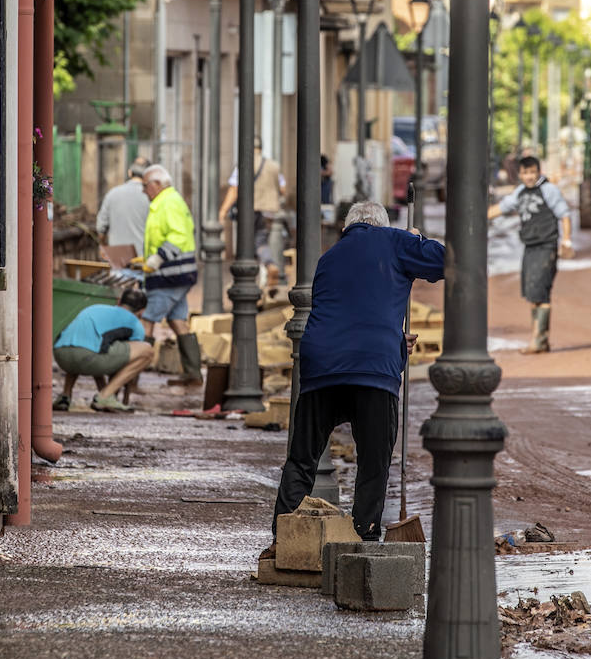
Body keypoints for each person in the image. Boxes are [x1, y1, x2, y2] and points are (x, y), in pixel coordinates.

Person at [269, 202, 443, 547]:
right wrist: (415, 239)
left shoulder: (328, 257)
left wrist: (393, 338)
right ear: (382, 226)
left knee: (302, 457)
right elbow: (444, 260)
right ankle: (363, 535)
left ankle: (283, 539)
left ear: (348, 227)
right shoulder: (394, 241)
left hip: (322, 364)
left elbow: (347, 310)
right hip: (373, 366)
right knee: (374, 463)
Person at [486, 155, 573, 353]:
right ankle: (540, 339)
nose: (529, 177)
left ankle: (539, 340)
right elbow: (501, 208)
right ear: (520, 174)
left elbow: (564, 215)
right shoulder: (520, 192)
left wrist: (566, 241)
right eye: (525, 173)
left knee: (540, 292)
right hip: (530, 247)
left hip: (546, 246)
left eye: (533, 172)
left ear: (539, 172)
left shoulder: (549, 190)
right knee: (532, 293)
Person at [138, 164, 203, 385]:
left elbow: (177, 235)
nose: (144, 190)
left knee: (147, 321)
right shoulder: (167, 201)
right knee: (177, 321)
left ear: (157, 184)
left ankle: (130, 378)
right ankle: (193, 374)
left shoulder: (168, 203)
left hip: (169, 275)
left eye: (146, 185)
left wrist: (158, 258)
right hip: (177, 274)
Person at [53, 288, 154, 412]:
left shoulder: (95, 308)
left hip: (61, 354)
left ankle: (65, 395)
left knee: (87, 343)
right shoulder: (135, 325)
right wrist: (109, 393)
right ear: (142, 312)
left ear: (118, 301)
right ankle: (105, 397)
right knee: (147, 351)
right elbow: (120, 361)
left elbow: (101, 351)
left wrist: (103, 388)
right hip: (87, 356)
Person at [218, 137, 287, 286]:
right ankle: (265, 274)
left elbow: (234, 190)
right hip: (269, 211)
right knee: (261, 241)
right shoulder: (273, 166)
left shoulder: (244, 165)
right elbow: (283, 189)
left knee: (250, 244)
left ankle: (260, 271)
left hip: (250, 211)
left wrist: (223, 211)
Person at [95, 156, 150, 264]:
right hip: (143, 261)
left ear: (130, 173)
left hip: (117, 260)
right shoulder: (150, 197)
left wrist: (103, 246)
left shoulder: (112, 194)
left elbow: (101, 228)